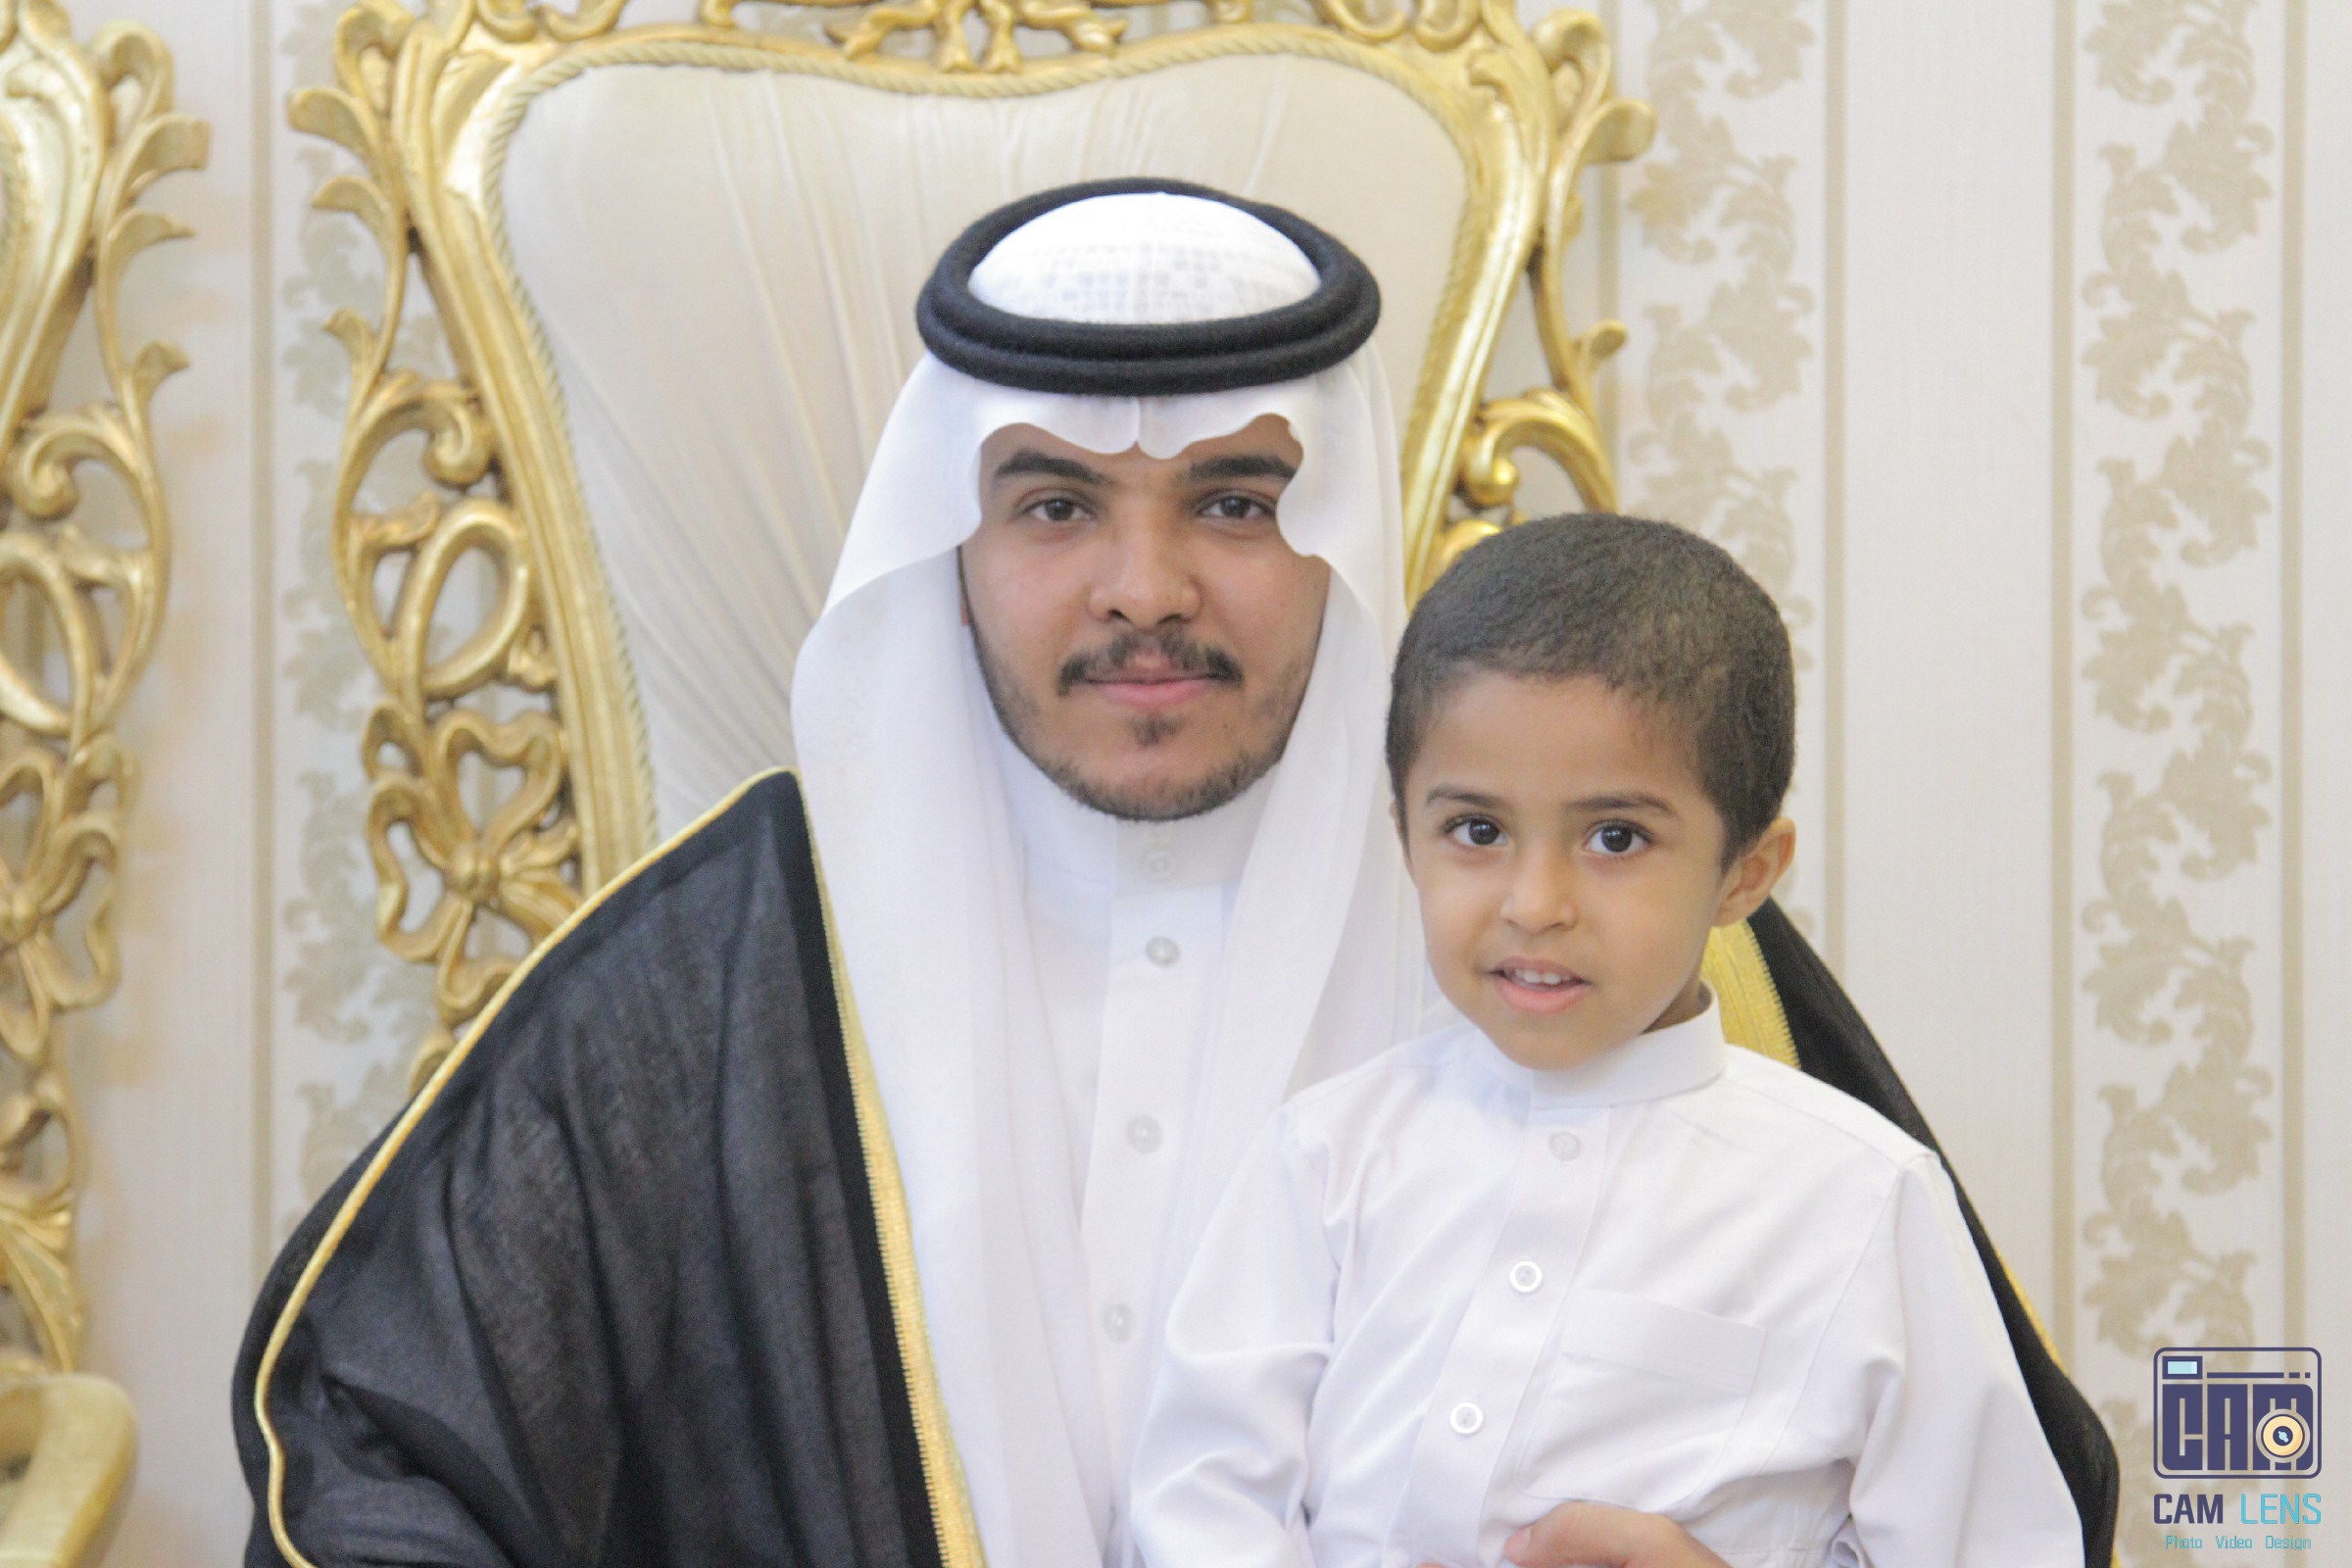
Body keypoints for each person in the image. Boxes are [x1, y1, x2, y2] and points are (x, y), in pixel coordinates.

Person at [233, 182, 2108, 1568]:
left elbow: (2012, 1492)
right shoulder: (710, 969)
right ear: (953, 539)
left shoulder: (1596, 939)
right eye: (1057, 504)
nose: (1146, 588)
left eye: (1235, 502)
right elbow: (372, 1449)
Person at [1127, 515, 2086, 1568]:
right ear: (1405, 833)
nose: (1535, 904)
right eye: (1477, 830)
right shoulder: (1324, 1156)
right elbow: (1200, 1498)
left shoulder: (1863, 1199)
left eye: (1615, 837)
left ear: (1745, 874)